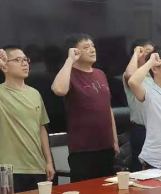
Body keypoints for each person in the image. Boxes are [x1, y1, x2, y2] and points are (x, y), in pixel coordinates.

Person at [0, 47, 54, 193]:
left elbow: (41, 128)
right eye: (18, 60)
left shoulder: (35, 93)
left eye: (26, 60)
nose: (25, 63)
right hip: (8, 170)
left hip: (37, 167)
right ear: (4, 67)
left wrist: (49, 162)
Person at [51, 33, 120, 181]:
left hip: (106, 147)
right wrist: (70, 60)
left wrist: (114, 140)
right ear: (74, 51)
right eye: (86, 47)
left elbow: (107, 109)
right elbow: (59, 90)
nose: (92, 50)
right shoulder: (70, 74)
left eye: (93, 46)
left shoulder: (100, 74)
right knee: (85, 193)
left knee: (107, 190)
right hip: (83, 150)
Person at [123, 39, 155, 171]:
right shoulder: (133, 76)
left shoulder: (156, 76)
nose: (151, 54)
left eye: (153, 51)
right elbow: (130, 74)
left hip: (158, 129)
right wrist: (136, 53)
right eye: (146, 51)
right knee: (142, 172)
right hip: (141, 130)